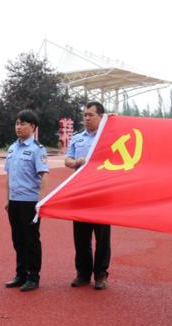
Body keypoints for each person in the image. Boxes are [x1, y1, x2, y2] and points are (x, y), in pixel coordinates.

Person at [64, 101, 111, 290]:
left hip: (101, 194)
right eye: (85, 115)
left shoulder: (107, 138)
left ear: (101, 116)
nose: (87, 118)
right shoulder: (77, 138)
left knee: (102, 238)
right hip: (80, 193)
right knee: (81, 237)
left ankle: (101, 274)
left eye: (91, 115)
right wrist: (76, 162)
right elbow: (67, 160)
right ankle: (83, 273)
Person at [4, 109, 49, 292]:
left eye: (22, 124)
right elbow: (8, 176)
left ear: (32, 127)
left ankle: (33, 276)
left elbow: (44, 175)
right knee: (18, 239)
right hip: (14, 201)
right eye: (17, 123)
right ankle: (21, 274)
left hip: (30, 202)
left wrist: (41, 201)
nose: (18, 127)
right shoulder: (12, 148)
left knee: (31, 240)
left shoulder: (37, 149)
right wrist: (7, 199)